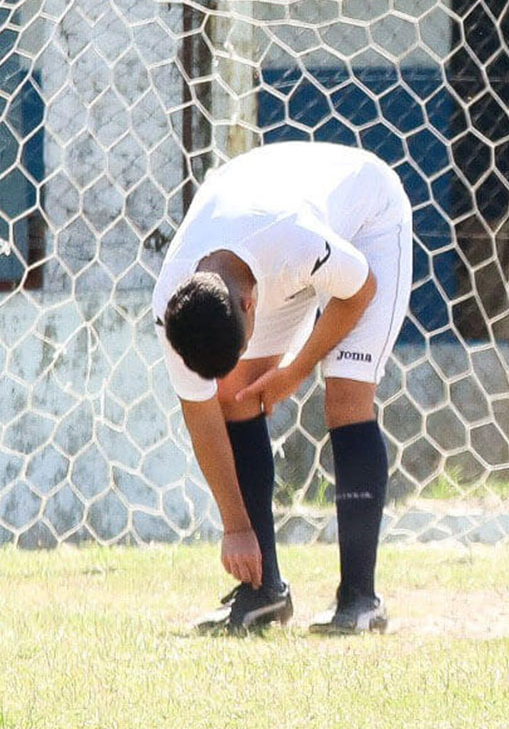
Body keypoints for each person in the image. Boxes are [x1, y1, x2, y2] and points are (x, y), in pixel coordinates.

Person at [153, 141, 412, 635]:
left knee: (346, 396)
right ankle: (264, 592)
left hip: (365, 222)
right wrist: (235, 527)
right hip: (270, 235)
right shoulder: (172, 301)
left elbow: (359, 291)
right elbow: (202, 416)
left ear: (250, 305)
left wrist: (294, 371)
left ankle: (360, 599)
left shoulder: (294, 241)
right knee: (235, 396)